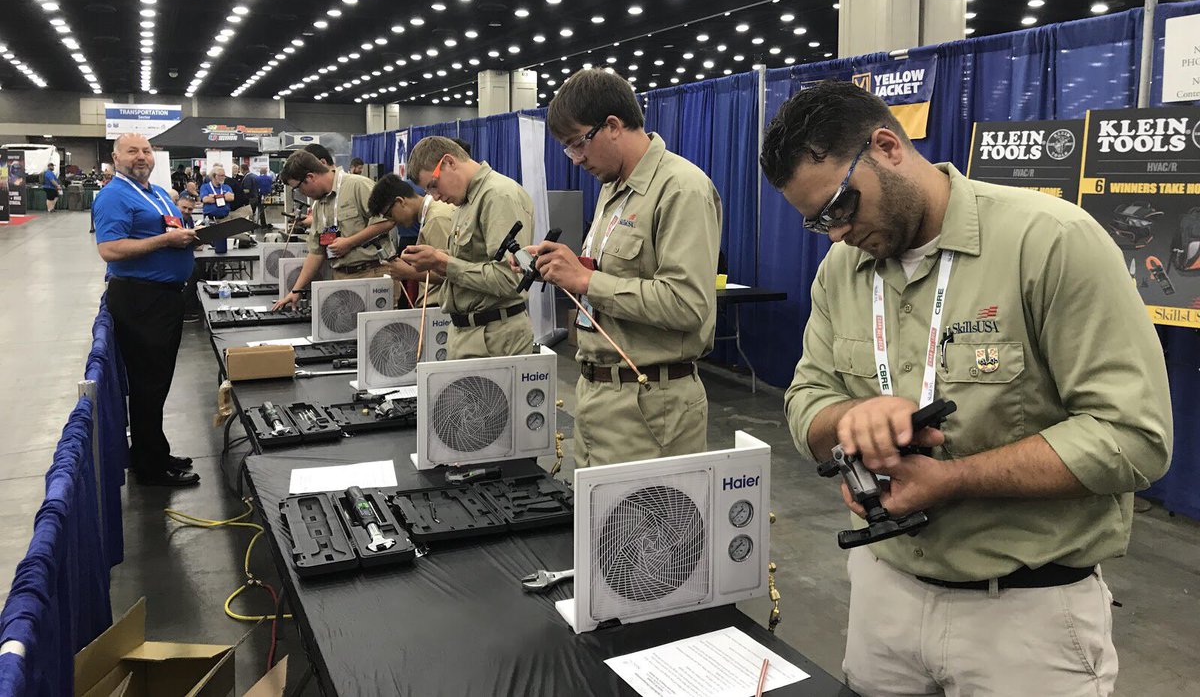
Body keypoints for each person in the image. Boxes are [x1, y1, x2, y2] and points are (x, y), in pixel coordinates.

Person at [758, 80, 1173, 696]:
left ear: (887, 147)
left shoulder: (1049, 241)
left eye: (840, 207)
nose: (837, 233)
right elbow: (805, 399)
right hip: (883, 597)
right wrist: (850, 418)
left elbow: (1133, 438)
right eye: (818, 222)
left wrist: (954, 480)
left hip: (1026, 618)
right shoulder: (841, 270)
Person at [527, 69, 722, 466]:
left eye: (577, 143)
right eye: (568, 149)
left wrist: (587, 280)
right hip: (598, 396)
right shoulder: (612, 189)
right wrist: (565, 267)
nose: (576, 159)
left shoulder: (681, 188)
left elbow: (687, 304)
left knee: (644, 510)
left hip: (650, 408)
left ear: (613, 126)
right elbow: (610, 273)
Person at [92, 134, 201, 487]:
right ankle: (150, 466)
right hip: (141, 300)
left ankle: (154, 451)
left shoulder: (156, 193)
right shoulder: (113, 195)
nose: (141, 156)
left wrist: (188, 237)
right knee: (147, 384)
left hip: (164, 298)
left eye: (146, 151)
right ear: (116, 158)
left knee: (157, 383)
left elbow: (168, 230)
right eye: (132, 151)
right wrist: (166, 241)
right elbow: (110, 249)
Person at [403, 136, 533, 358]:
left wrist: (443, 262)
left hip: (493, 338)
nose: (436, 197)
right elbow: (475, 260)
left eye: (433, 185)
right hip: (470, 332)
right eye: (428, 192)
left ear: (449, 162)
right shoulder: (465, 201)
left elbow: (512, 279)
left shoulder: (498, 196)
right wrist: (437, 258)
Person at [272, 149, 395, 310]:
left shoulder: (357, 186)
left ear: (310, 177)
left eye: (298, 188)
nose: (300, 193)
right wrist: (296, 290)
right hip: (340, 278)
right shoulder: (319, 205)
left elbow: (388, 221)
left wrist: (349, 242)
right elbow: (316, 252)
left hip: (373, 273)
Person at [368, 173, 455, 305]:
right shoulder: (430, 215)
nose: (393, 222)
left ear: (400, 201)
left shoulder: (436, 219)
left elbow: (451, 271)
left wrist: (408, 272)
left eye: (390, 215)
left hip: (440, 305)